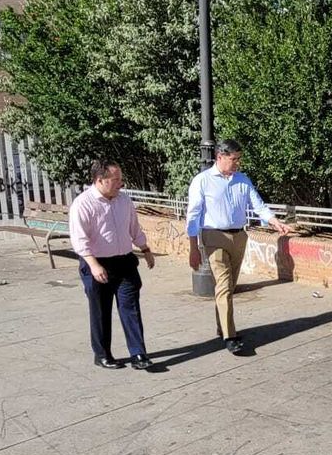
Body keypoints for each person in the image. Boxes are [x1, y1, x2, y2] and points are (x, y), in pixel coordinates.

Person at [186, 140, 295, 354]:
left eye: (238, 159)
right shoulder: (202, 181)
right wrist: (193, 247)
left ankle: (222, 327)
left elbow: (258, 205)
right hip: (213, 236)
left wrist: (275, 222)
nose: (237, 163)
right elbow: (193, 216)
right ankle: (230, 336)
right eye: (233, 159)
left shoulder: (243, 180)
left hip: (239, 237)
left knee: (229, 286)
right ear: (220, 156)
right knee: (224, 285)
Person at [69, 160, 163, 372]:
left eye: (120, 179)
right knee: (101, 310)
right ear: (100, 180)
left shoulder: (124, 201)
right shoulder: (83, 204)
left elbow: (134, 228)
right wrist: (93, 265)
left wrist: (145, 249)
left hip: (124, 262)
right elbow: (79, 240)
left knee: (130, 307)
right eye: (116, 179)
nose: (121, 183)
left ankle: (139, 353)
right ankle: (102, 354)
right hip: (97, 263)